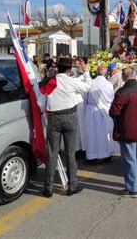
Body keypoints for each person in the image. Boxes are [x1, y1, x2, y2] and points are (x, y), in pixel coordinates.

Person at [42, 58, 92, 198]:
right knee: (70, 153)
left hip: (54, 118)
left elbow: (41, 100)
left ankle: (48, 187)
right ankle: (72, 185)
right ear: (69, 69)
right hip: (69, 118)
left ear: (58, 67)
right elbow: (88, 86)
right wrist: (86, 71)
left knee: (52, 153)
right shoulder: (72, 81)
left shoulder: (50, 81)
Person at [109, 68, 137, 198]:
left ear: (123, 77)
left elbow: (114, 112)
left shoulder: (122, 92)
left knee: (130, 159)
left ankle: (133, 188)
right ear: (135, 76)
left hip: (128, 129)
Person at [84, 65, 119, 163]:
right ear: (106, 73)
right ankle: (107, 154)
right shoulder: (108, 84)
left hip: (91, 111)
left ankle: (92, 156)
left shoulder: (91, 83)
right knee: (105, 133)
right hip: (105, 110)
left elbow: (85, 97)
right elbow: (112, 98)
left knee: (92, 134)